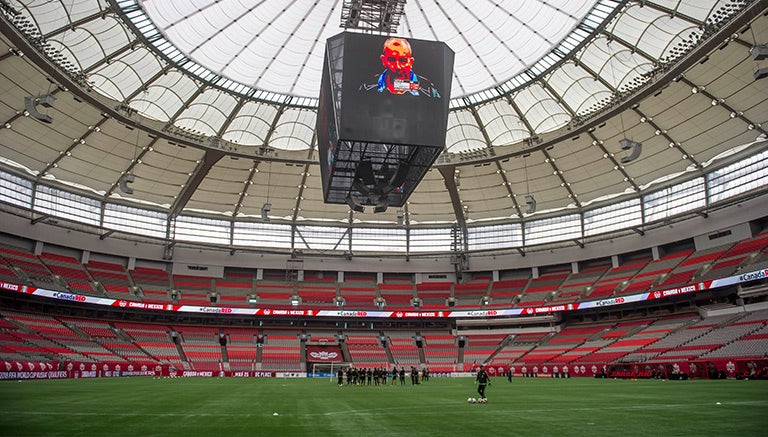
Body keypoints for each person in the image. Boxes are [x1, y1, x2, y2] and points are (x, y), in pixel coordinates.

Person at [359, 37, 441, 98]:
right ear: (384, 60)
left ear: (411, 62)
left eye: (403, 60)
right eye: (391, 59)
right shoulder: (367, 87)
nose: (397, 66)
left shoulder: (428, 90)